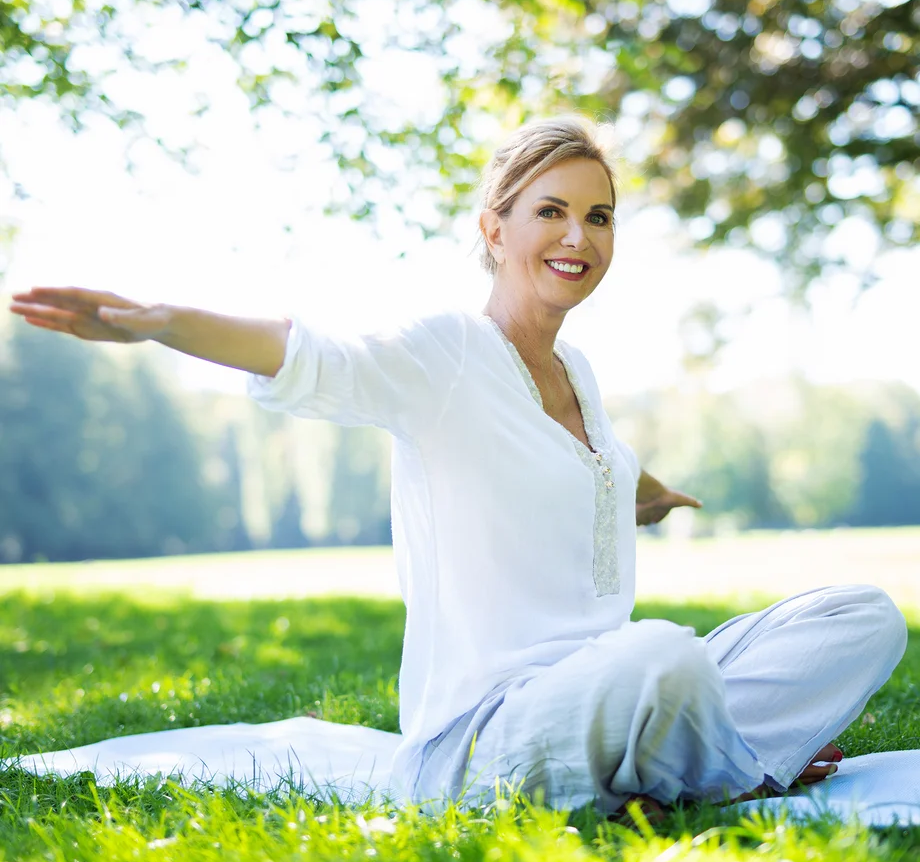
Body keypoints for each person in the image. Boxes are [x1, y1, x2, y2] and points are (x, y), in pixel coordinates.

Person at [7, 115, 907, 824]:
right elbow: (312, 353)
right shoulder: (445, 355)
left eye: (598, 215)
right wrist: (162, 318)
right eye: (550, 209)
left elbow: (577, 471)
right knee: (665, 656)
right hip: (482, 743)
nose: (578, 235)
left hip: (604, 692)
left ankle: (709, 758)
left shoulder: (578, 374)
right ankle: (735, 768)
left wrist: (646, 493)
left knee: (859, 615)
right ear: (496, 227)